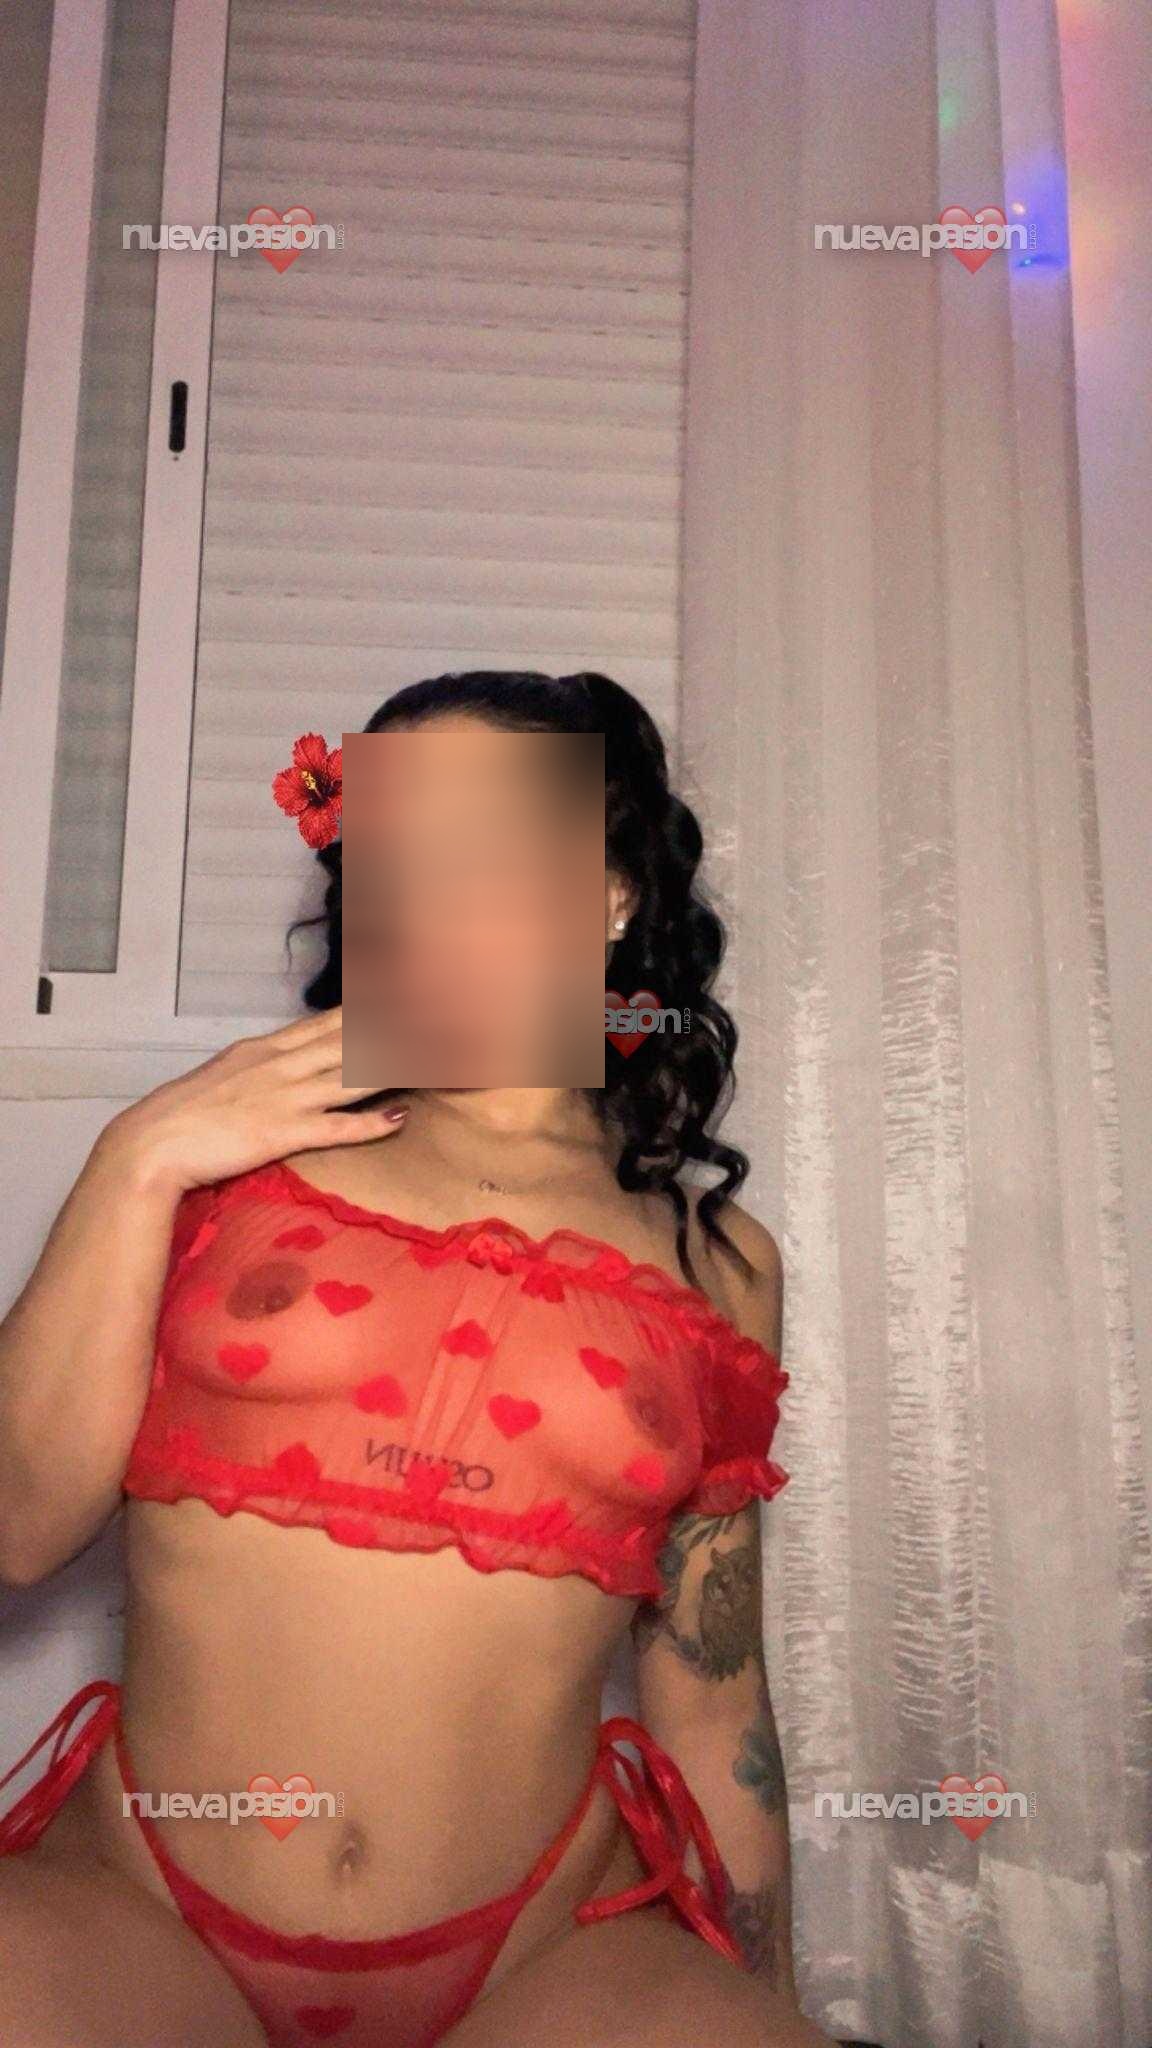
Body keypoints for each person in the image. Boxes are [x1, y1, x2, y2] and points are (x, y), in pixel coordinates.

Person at [0, 671, 835, 2047]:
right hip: (141, 1911)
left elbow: (711, 1689)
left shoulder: (720, 1262)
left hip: (541, 1954)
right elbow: (20, 1527)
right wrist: (136, 1157)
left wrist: (766, 1984)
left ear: (612, 893)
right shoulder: (226, 1155)